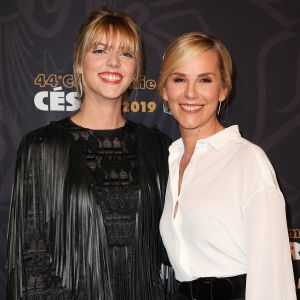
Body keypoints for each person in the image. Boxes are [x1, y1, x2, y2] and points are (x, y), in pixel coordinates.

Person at [6, 9, 173, 300]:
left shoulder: (158, 147)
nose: (113, 62)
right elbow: (30, 262)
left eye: (126, 54)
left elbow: (172, 254)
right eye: (100, 50)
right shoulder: (42, 146)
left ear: (136, 70)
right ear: (79, 64)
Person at [158, 32, 296, 300]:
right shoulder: (171, 159)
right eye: (179, 79)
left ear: (223, 89)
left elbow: (273, 278)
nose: (190, 93)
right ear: (165, 89)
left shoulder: (248, 161)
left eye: (205, 80)